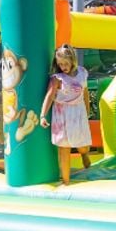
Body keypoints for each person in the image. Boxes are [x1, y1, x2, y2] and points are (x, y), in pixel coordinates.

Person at [40, 44, 92, 185]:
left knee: (82, 143)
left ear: (73, 60)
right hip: (62, 114)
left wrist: (87, 111)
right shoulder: (57, 78)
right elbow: (49, 96)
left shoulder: (82, 73)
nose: (63, 67)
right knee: (64, 147)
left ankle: (84, 154)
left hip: (78, 112)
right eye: (60, 64)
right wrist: (43, 115)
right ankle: (66, 181)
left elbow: (85, 93)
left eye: (65, 63)